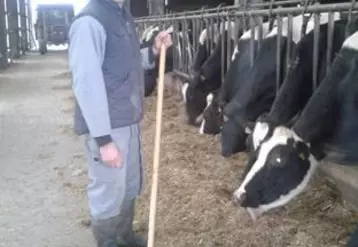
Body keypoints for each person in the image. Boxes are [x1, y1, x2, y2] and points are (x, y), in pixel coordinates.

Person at [68, 0, 173, 246]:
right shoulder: (89, 22)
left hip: (128, 119)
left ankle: (124, 238)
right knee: (108, 190)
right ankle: (108, 242)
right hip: (107, 126)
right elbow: (87, 84)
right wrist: (104, 141)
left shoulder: (122, 15)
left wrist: (154, 50)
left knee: (129, 184)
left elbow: (127, 63)